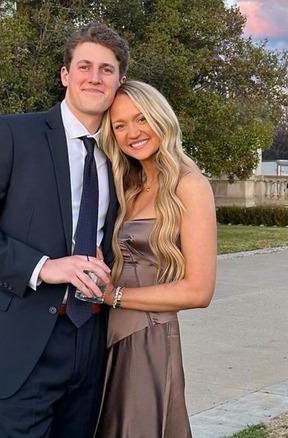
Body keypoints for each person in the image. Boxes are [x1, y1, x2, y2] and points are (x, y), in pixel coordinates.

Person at [0, 23, 129, 438]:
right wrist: (43, 267)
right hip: (15, 344)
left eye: (106, 69)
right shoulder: (13, 133)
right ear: (65, 75)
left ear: (120, 81)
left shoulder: (123, 155)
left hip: (91, 342)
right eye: (84, 66)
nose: (94, 77)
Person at [95, 80, 217, 437]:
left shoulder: (189, 185)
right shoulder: (130, 186)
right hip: (109, 335)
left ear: (161, 118)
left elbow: (199, 291)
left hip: (148, 338)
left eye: (142, 118)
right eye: (120, 125)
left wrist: (114, 296)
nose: (132, 132)